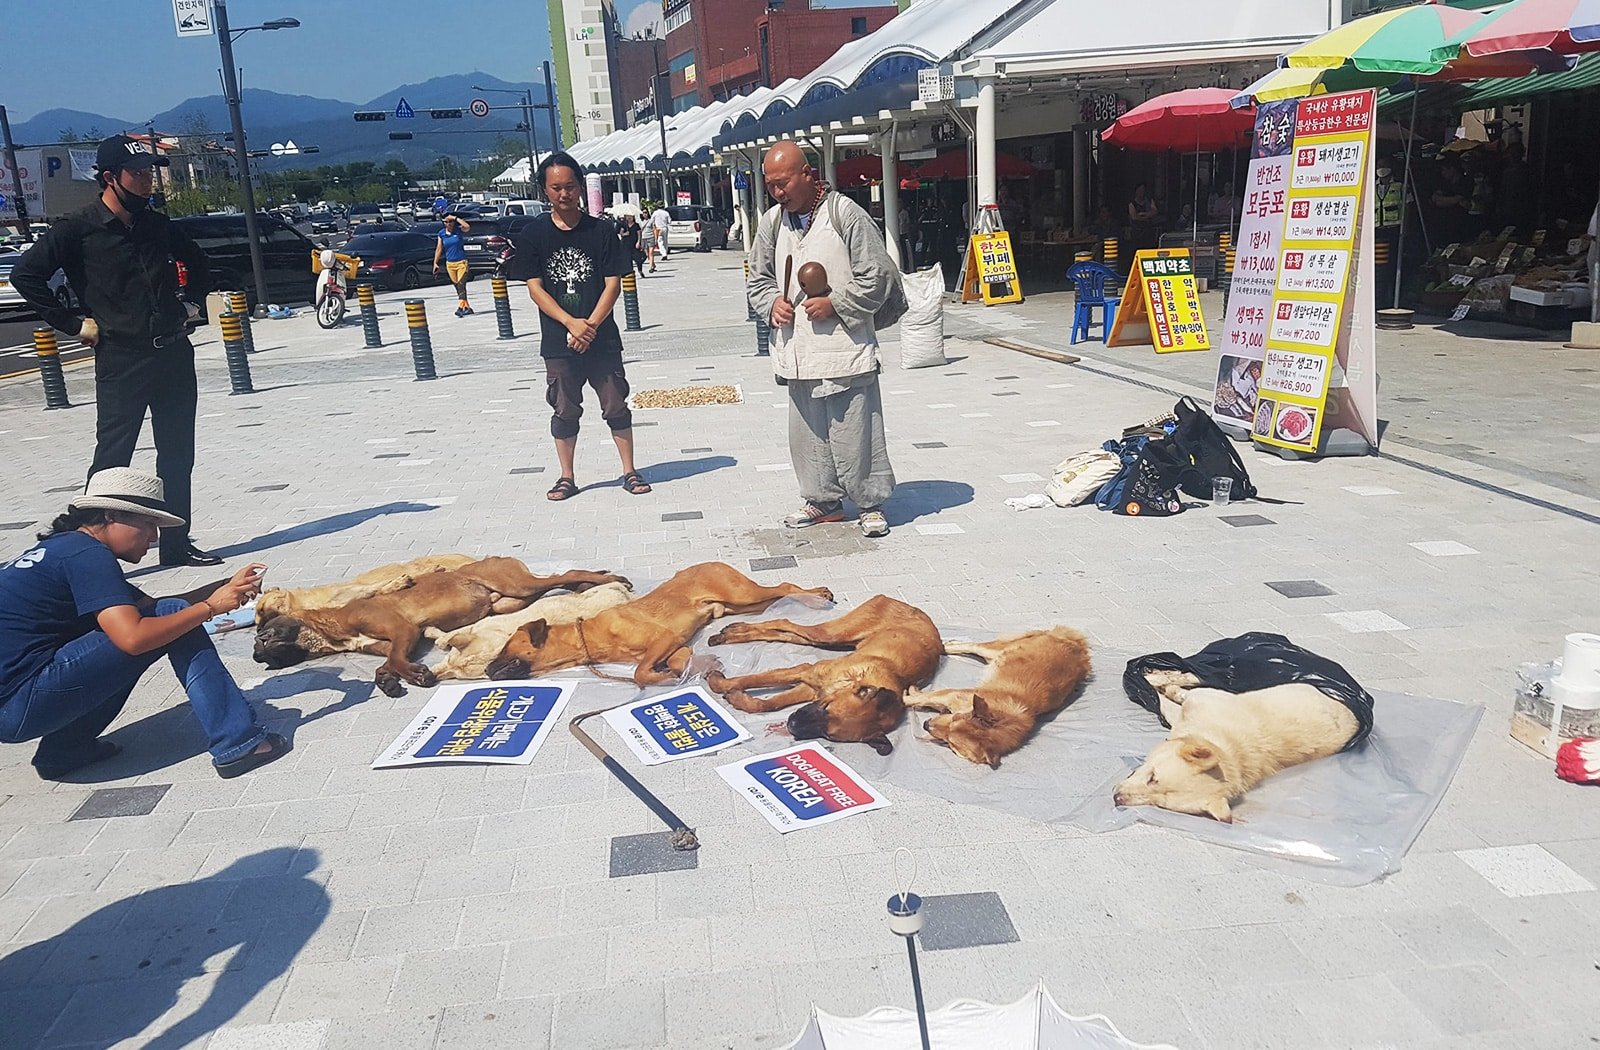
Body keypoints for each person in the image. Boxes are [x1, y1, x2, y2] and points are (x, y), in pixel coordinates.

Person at [9, 135, 219, 568]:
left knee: (178, 454)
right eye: (138, 174)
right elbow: (25, 275)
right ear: (110, 177)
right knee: (112, 458)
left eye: (150, 173)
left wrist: (191, 303)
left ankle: (176, 545)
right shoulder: (77, 228)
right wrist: (71, 323)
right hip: (122, 359)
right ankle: (90, 552)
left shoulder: (156, 224)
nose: (148, 182)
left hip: (173, 355)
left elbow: (198, 261)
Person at [0, 469, 290, 781]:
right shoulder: (88, 556)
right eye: (148, 524)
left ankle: (64, 750)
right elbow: (134, 637)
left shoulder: (65, 549)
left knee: (164, 618)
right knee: (157, 625)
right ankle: (239, 743)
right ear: (112, 516)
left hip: (14, 704)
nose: (153, 537)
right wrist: (210, 608)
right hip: (21, 702)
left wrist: (224, 586)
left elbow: (151, 607)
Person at [747, 140, 902, 538]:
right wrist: (770, 305)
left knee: (856, 430)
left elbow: (878, 275)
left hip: (844, 349)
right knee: (807, 433)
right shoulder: (771, 223)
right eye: (771, 185)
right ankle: (823, 501)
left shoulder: (844, 214)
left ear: (808, 175)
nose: (778, 192)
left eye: (784, 183)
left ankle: (870, 502)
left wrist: (835, 302)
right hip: (797, 351)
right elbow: (758, 280)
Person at [507, 152, 650, 501]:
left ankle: (629, 470)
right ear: (544, 190)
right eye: (556, 188)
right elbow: (534, 288)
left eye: (570, 186)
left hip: (602, 340)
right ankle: (567, 476)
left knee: (616, 404)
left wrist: (591, 326)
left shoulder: (600, 231)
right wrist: (571, 323)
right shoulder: (534, 234)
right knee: (565, 408)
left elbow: (613, 283)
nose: (564, 194)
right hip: (559, 340)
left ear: (580, 188)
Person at [432, 212, 474, 316]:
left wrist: (455, 218)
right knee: (457, 286)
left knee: (461, 284)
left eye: (451, 222)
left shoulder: (458, 231)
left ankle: (460, 307)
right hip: (450, 263)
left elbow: (467, 226)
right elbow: (439, 249)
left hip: (461, 262)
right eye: (447, 222)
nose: (449, 224)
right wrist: (435, 263)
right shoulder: (441, 234)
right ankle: (467, 307)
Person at [1128, 182, 1160, 253]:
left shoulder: (1149, 201)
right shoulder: (1132, 204)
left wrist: (1143, 214)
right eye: (1139, 190)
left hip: (1148, 232)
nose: (1141, 192)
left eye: (1143, 190)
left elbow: (1154, 212)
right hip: (1137, 233)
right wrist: (1146, 217)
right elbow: (1134, 217)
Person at [617, 213, 645, 277]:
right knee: (627, 259)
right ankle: (630, 272)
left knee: (638, 258)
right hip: (625, 244)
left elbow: (639, 234)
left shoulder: (636, 225)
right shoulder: (624, 225)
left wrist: (638, 242)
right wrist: (625, 234)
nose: (629, 218)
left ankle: (640, 270)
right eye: (627, 216)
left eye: (630, 216)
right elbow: (621, 233)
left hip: (634, 244)